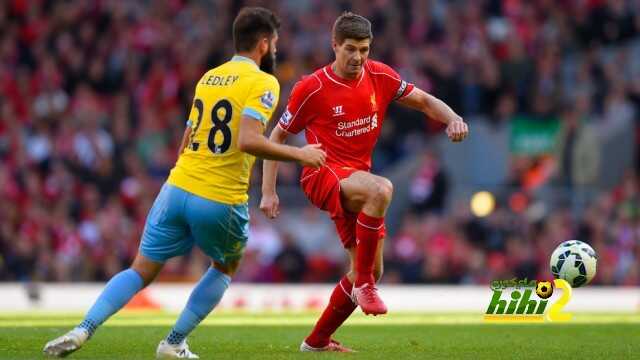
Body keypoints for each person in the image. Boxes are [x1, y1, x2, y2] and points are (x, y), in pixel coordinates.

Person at [43, 7, 326, 359]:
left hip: (177, 187)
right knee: (224, 267)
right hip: (220, 196)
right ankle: (174, 342)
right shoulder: (264, 82)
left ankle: (84, 328)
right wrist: (301, 156)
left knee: (140, 270)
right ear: (264, 44)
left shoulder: (209, 77)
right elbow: (248, 140)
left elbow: (186, 140)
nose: (277, 50)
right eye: (276, 43)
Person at [260, 12, 468, 352]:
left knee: (370, 267)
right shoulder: (312, 88)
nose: (357, 57)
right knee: (382, 189)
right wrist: (268, 191)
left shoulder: (379, 75)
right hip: (321, 173)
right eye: (350, 49)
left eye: (364, 49)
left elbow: (424, 100)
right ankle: (365, 286)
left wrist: (453, 118)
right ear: (335, 46)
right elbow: (277, 135)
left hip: (355, 178)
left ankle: (317, 341)